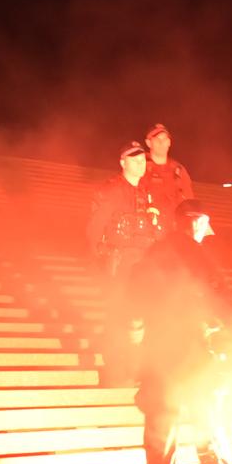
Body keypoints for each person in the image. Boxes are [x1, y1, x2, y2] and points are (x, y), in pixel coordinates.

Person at [130, 199, 232, 464]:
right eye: (204, 224)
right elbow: (222, 304)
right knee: (208, 428)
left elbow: (132, 298)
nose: (206, 230)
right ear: (195, 223)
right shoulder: (201, 257)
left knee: (161, 434)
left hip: (159, 359)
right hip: (195, 358)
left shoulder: (152, 255)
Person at [87, 141, 161, 386]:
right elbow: (95, 227)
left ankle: (135, 368)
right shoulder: (111, 189)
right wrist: (100, 259)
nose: (140, 163)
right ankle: (114, 372)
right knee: (117, 315)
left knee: (140, 317)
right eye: (134, 158)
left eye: (142, 159)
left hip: (142, 263)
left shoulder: (146, 192)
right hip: (119, 262)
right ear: (123, 162)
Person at [144, 123, 194, 225]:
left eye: (164, 139)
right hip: (147, 227)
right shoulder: (139, 165)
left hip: (173, 229)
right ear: (148, 143)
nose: (161, 142)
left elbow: (189, 202)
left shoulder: (179, 170)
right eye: (157, 139)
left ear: (169, 142)